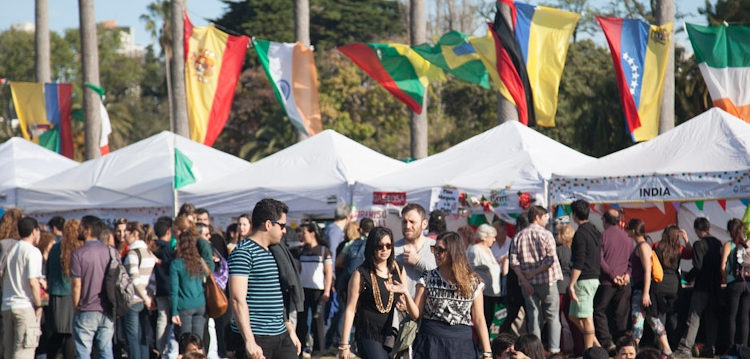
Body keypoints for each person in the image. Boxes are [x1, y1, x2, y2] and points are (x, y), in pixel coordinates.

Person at [395, 231, 492, 359]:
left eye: (440, 250)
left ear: (453, 252)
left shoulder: (473, 282)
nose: (436, 253)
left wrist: (487, 352)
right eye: (434, 249)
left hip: (461, 344)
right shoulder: (427, 277)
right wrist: (406, 293)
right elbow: (416, 314)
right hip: (430, 342)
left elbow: (479, 319)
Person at [228, 198, 301, 359]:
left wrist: (290, 331)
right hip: (257, 337)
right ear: (268, 224)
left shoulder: (275, 252)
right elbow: (236, 299)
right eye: (282, 225)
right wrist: (249, 341)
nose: (284, 231)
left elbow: (277, 296)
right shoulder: (243, 253)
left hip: (280, 334)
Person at [339, 227, 403, 359]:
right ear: (371, 247)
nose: (385, 249)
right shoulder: (360, 274)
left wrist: (405, 304)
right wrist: (344, 344)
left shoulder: (398, 269)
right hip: (368, 332)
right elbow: (350, 309)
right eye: (380, 246)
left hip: (392, 332)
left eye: (388, 245)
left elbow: (404, 297)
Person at [509, 206, 563, 354]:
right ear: (537, 217)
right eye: (545, 217)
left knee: (533, 317)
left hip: (527, 284)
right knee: (552, 316)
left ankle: (535, 352)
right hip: (547, 281)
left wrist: (525, 280)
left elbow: (513, 262)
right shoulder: (546, 234)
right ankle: (554, 350)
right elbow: (550, 259)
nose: (547, 220)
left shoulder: (519, 236)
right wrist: (534, 273)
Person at [673, 217, 722, 358]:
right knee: (711, 318)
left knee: (694, 318)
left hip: (701, 287)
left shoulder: (699, 244)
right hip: (715, 287)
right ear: (708, 228)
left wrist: (687, 277)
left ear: (696, 229)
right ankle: (710, 347)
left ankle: (685, 348)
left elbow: (698, 265)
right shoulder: (717, 243)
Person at [625, 219, 672, 356]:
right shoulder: (641, 246)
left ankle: (632, 351)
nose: (627, 231)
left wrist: (645, 293)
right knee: (652, 320)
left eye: (628, 228)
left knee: (638, 321)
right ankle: (667, 351)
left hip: (643, 290)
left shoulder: (643, 247)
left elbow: (647, 271)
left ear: (633, 230)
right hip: (640, 289)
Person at [70, 215, 114, 359]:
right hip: (107, 308)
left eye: (81, 227)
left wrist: (76, 306)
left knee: (83, 352)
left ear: (88, 230)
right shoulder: (111, 252)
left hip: (86, 308)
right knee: (106, 351)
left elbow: (77, 284)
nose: (78, 229)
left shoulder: (78, 253)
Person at [2, 217, 43, 359]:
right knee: (24, 352)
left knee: (9, 352)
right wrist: (39, 305)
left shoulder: (10, 250)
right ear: (34, 231)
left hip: (7, 306)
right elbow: (32, 281)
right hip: (24, 306)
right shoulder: (33, 252)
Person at [594, 209, 633, 353]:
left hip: (607, 282)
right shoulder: (628, 238)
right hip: (624, 282)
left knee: (599, 311)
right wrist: (627, 274)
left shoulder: (602, 236)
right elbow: (632, 261)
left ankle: (607, 342)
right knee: (621, 314)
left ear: (605, 220)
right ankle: (621, 343)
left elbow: (600, 259)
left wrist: (612, 275)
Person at [567, 200, 601, 350]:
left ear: (574, 215)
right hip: (593, 277)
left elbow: (579, 261)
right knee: (573, 316)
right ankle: (597, 347)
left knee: (586, 317)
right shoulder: (594, 231)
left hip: (584, 279)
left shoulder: (580, 233)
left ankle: (590, 352)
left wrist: (571, 284)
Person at [45, 219, 81, 359]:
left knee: (57, 333)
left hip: (55, 295)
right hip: (71, 296)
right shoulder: (78, 251)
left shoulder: (54, 248)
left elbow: (48, 272)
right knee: (70, 334)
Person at [295, 223, 332, 356]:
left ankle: (317, 352)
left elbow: (328, 273)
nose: (302, 235)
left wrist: (327, 291)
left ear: (312, 233)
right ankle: (300, 349)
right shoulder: (301, 250)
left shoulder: (324, 250)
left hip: (319, 292)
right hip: (303, 291)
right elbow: (298, 270)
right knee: (301, 323)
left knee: (318, 323)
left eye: (304, 232)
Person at [653, 225, 691, 348]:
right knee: (674, 316)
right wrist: (686, 239)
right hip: (675, 284)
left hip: (660, 283)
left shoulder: (656, 246)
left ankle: (660, 346)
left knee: (660, 316)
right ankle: (673, 344)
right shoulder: (679, 249)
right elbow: (690, 254)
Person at [123, 221, 157, 359]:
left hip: (133, 300)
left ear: (135, 234)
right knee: (143, 335)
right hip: (146, 300)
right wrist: (150, 297)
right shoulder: (148, 252)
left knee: (132, 338)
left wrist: (145, 297)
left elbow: (134, 278)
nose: (124, 235)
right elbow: (152, 279)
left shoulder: (132, 253)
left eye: (127, 231)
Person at [394, 203, 437, 297]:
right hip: (398, 309)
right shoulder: (393, 250)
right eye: (404, 222)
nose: (407, 226)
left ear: (424, 224)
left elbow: (444, 276)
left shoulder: (437, 248)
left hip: (428, 309)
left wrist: (419, 262)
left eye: (412, 222)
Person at [170, 231, 207, 338]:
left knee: (185, 341)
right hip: (200, 304)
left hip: (184, 305)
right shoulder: (199, 262)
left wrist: (174, 312)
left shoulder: (176, 264)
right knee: (198, 340)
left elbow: (174, 290)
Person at [467, 223, 502, 331]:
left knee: (489, 318)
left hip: (492, 292)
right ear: (485, 237)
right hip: (483, 293)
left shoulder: (488, 250)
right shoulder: (475, 250)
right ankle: (480, 345)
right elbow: (470, 269)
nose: (494, 240)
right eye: (492, 237)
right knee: (484, 319)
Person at [721, 218, 750, 347]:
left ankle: (731, 346)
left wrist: (725, 278)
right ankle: (743, 346)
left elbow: (722, 266)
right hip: (748, 283)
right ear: (742, 229)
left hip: (734, 283)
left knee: (732, 316)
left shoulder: (729, 244)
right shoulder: (747, 244)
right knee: (745, 316)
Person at [556, 224, 581, 356]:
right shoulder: (575, 251)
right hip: (572, 286)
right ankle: (579, 347)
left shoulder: (558, 250)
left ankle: (561, 349)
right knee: (573, 319)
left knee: (557, 320)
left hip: (559, 287)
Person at [152, 216, 175, 357]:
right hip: (170, 288)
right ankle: (167, 349)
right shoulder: (168, 249)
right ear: (168, 231)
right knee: (171, 319)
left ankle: (160, 349)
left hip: (159, 288)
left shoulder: (153, 247)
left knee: (161, 319)